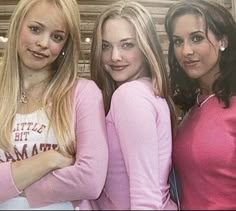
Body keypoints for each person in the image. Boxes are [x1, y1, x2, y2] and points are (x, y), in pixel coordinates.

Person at [0, 0, 108, 209]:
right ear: (17, 25)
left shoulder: (83, 93)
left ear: (65, 45)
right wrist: (48, 160)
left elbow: (91, 180)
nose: (43, 43)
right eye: (35, 29)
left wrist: (11, 182)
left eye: (56, 37)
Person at [82, 0, 178, 210]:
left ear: (146, 47)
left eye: (127, 45)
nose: (115, 57)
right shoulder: (150, 93)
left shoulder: (129, 96)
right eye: (106, 46)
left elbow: (146, 196)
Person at [165, 0, 236, 209]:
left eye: (196, 38)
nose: (186, 51)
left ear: (223, 41)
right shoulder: (194, 105)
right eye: (178, 41)